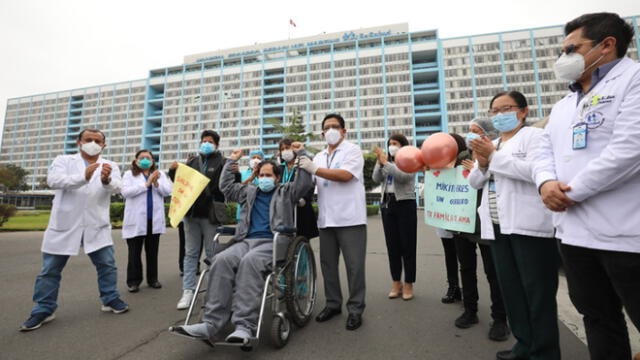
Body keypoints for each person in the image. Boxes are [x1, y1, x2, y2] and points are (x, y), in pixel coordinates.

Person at [532, 12, 640, 360]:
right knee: (598, 318)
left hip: (626, 234)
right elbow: (544, 152)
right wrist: (546, 182)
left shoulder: (633, 81)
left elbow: (628, 150)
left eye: (571, 49)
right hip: (574, 235)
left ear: (607, 45)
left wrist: (568, 193)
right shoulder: (563, 105)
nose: (562, 59)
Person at [169, 143, 313, 344]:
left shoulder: (285, 192)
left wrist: (302, 154)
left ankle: (245, 325)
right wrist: (231, 162)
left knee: (250, 262)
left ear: (277, 178)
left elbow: (305, 184)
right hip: (245, 240)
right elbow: (225, 187)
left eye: (268, 175)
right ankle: (211, 323)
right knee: (221, 260)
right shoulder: (249, 192)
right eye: (261, 175)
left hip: (272, 242)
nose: (264, 179)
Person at [469, 91, 559, 360]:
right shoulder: (492, 143)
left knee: (537, 294)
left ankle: (544, 353)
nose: (499, 115)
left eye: (505, 109)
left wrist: (493, 157)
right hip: (498, 227)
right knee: (512, 291)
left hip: (527, 228)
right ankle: (524, 345)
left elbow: (536, 172)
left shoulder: (535, 137)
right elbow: (474, 181)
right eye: (493, 111)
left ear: (523, 111)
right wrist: (483, 163)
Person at [20, 128, 128, 332]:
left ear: (103, 145)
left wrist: (106, 181)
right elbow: (54, 181)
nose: (93, 143)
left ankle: (110, 298)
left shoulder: (111, 165)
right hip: (65, 224)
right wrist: (83, 176)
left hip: (96, 225)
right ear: (79, 142)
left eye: (98, 141)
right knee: (50, 270)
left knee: (107, 265)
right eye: (89, 139)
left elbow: (117, 188)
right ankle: (44, 308)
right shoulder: (64, 161)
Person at [307, 113, 367, 331]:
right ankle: (333, 304)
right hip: (326, 219)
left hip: (350, 218)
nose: (330, 130)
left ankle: (356, 309)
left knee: (355, 267)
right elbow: (309, 180)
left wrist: (314, 170)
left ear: (344, 130)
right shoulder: (319, 156)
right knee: (328, 265)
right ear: (322, 133)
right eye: (326, 127)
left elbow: (345, 176)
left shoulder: (352, 150)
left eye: (335, 126)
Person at [450, 129, 510, 342]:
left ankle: (500, 318)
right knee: (466, 268)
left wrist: (481, 165)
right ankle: (470, 310)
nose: (472, 135)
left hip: (486, 221)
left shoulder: (500, 152)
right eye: (470, 131)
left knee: (493, 272)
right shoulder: (462, 157)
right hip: (462, 221)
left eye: (478, 131)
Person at [168, 130, 233, 310]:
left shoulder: (223, 162)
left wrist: (234, 172)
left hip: (210, 214)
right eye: (204, 140)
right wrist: (172, 171)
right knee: (190, 254)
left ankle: (214, 291)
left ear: (217, 145)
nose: (206, 143)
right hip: (191, 214)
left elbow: (229, 185)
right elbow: (180, 183)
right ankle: (188, 291)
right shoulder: (192, 162)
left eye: (210, 141)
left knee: (213, 254)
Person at [372, 133, 417, 300]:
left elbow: (404, 177)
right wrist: (379, 162)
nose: (392, 146)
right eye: (390, 143)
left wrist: (385, 163)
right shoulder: (386, 162)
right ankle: (396, 282)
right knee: (393, 247)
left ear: (403, 145)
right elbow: (375, 178)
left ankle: (409, 284)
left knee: (408, 246)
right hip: (387, 204)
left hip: (405, 204)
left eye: (395, 143)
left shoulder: (411, 159)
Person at [121, 150, 173, 292]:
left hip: (153, 220)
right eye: (142, 157)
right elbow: (125, 192)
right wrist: (146, 184)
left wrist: (156, 183)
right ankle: (133, 281)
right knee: (134, 252)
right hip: (136, 220)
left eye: (148, 158)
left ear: (153, 161)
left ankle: (153, 279)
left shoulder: (160, 174)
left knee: (152, 251)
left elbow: (168, 191)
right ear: (136, 160)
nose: (145, 160)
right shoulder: (129, 174)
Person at [277, 138, 319, 240]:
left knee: (302, 238)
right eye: (282, 149)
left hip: (301, 206)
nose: (285, 151)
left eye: (287, 148)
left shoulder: (302, 164)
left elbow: (309, 183)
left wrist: (304, 198)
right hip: (284, 207)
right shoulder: (279, 168)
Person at [235, 149, 263, 222]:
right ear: (250, 159)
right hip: (244, 210)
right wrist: (251, 178)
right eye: (253, 157)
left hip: (260, 210)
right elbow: (238, 189)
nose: (256, 160)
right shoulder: (242, 174)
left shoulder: (264, 174)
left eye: (259, 158)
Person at [436, 228, 461, 304]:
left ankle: (469, 292)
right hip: (447, 219)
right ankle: (453, 286)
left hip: (465, 221)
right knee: (449, 251)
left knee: (465, 255)